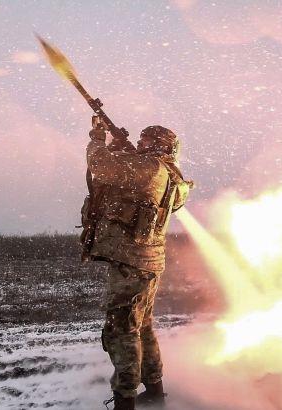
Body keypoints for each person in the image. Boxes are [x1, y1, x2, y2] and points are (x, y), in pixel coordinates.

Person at [82, 119, 192, 410]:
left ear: (156, 145)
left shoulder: (149, 168)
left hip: (131, 260)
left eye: (145, 142)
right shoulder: (170, 174)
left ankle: (125, 399)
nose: (140, 146)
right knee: (142, 327)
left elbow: (100, 166)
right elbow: (130, 184)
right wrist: (122, 149)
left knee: (121, 330)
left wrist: (98, 138)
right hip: (149, 261)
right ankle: (155, 390)